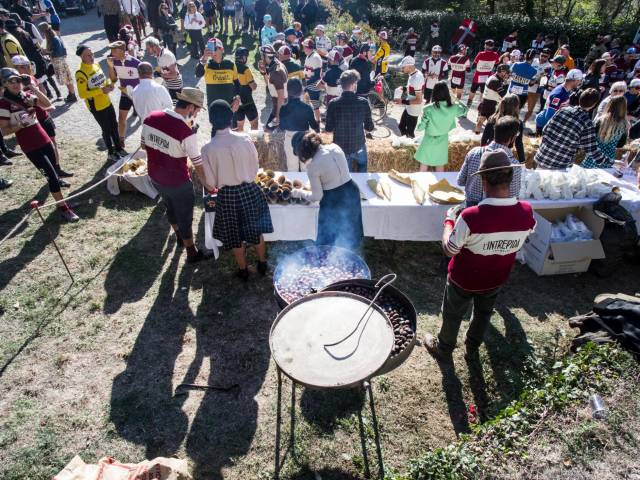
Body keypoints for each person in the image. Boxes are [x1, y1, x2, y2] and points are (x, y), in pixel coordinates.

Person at [423, 150, 534, 362]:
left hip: (463, 279)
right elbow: (527, 235)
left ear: (483, 181)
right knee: (484, 313)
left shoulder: (471, 216)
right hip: (496, 278)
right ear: (510, 178)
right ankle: (472, 347)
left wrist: (448, 221)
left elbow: (450, 249)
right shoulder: (527, 212)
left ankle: (444, 348)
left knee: (453, 314)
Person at [200, 100, 273, 280]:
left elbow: (210, 183)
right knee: (255, 232)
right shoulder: (245, 138)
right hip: (249, 190)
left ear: (211, 121)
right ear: (231, 116)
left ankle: (243, 271)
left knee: (234, 236)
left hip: (227, 195)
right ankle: (262, 264)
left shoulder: (207, 149)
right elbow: (255, 164)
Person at [0, 67, 78, 221]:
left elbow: (48, 104)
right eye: (11, 81)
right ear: (4, 84)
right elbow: (4, 131)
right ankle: (63, 208)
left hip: (44, 138)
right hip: (30, 145)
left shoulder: (26, 95)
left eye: (18, 80)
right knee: (52, 177)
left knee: (55, 170)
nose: (16, 84)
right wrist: (20, 125)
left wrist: (32, 87)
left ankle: (62, 201)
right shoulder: (4, 104)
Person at [142, 87, 207, 264]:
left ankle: (179, 236)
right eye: (198, 110)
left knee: (169, 206)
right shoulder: (185, 132)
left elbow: (142, 146)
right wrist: (208, 185)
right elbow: (198, 163)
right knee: (185, 215)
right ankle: (192, 252)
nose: (197, 114)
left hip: (155, 176)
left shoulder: (150, 117)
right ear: (191, 108)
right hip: (177, 181)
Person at [290, 131, 363, 250]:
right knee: (350, 232)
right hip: (351, 191)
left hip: (333, 200)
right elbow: (331, 173)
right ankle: (350, 255)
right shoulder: (335, 146)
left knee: (328, 239)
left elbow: (317, 196)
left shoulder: (312, 167)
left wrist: (299, 192)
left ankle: (326, 260)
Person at [11, 54, 66, 171]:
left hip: (45, 116)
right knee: (45, 147)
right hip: (35, 120)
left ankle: (58, 169)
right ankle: (53, 172)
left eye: (27, 65)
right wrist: (45, 107)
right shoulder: (16, 86)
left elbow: (42, 92)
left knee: (53, 142)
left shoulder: (31, 78)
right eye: (22, 67)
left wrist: (46, 105)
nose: (27, 68)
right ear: (16, 68)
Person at [535, 88, 608, 169]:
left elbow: (545, 129)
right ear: (594, 105)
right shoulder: (587, 123)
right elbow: (592, 151)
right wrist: (611, 162)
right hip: (560, 165)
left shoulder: (562, 110)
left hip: (542, 157)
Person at [75, 45, 125, 161]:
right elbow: (82, 94)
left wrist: (109, 84)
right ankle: (111, 152)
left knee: (114, 126)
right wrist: (101, 91)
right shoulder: (80, 73)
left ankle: (119, 148)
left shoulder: (96, 64)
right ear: (82, 57)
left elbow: (103, 79)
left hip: (107, 101)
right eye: (88, 55)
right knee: (106, 130)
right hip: (96, 106)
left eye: (92, 54)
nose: (92, 56)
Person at [459, 116, 522, 206]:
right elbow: (513, 196)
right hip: (496, 210)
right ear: (512, 138)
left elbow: (460, 181)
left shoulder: (474, 152)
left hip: (470, 206)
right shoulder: (513, 164)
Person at [325, 69, 374, 173]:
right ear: (353, 85)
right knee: (362, 173)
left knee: (345, 177)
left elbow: (328, 130)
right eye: (356, 83)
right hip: (359, 145)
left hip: (340, 147)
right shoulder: (363, 102)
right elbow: (369, 127)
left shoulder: (333, 103)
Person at [415, 80, 467, 172]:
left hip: (429, 140)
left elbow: (420, 128)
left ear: (434, 93)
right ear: (447, 93)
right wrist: (455, 98)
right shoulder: (454, 108)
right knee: (440, 166)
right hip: (443, 140)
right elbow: (465, 110)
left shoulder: (428, 108)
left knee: (424, 165)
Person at [195, 37, 240, 130]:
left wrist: (237, 98)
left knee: (231, 133)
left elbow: (237, 84)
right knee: (216, 134)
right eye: (210, 49)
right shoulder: (206, 64)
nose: (213, 52)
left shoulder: (230, 64)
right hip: (213, 107)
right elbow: (198, 74)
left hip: (230, 106)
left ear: (222, 49)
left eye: (215, 48)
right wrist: (204, 58)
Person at [106, 41, 141, 147]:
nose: (111, 53)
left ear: (121, 50)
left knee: (145, 118)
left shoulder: (136, 62)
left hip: (138, 95)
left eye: (113, 51)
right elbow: (113, 79)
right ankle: (121, 140)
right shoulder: (114, 62)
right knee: (121, 118)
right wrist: (111, 66)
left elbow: (145, 78)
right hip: (125, 94)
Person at [280, 77, 318, 171]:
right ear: (301, 91)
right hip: (304, 139)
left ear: (287, 91)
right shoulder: (307, 108)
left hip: (290, 138)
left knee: (292, 167)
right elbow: (314, 126)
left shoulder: (283, 108)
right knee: (306, 168)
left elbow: (282, 127)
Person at [582, 95, 629, 169]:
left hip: (593, 157)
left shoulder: (600, 120)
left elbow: (590, 138)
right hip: (608, 160)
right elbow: (620, 145)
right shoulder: (625, 125)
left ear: (610, 105)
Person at [535, 68, 583, 134]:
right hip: (545, 126)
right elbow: (549, 116)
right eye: (580, 80)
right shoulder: (559, 94)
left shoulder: (567, 89)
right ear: (574, 81)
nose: (580, 83)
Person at [481, 93, 525, 163]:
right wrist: (522, 161)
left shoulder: (493, 118)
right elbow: (518, 143)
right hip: (505, 154)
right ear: (517, 107)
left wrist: (482, 153)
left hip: (489, 150)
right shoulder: (518, 123)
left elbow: (484, 138)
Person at [38, 22, 76, 102]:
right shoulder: (54, 37)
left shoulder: (54, 39)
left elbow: (56, 52)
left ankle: (72, 95)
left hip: (58, 61)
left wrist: (47, 52)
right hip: (60, 60)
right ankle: (71, 94)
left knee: (66, 79)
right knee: (67, 79)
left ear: (45, 32)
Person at [258, 44, 287, 129]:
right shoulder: (274, 64)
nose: (260, 57)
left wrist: (277, 116)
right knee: (268, 130)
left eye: (261, 55)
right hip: (278, 106)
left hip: (280, 107)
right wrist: (263, 72)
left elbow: (281, 96)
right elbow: (269, 84)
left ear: (265, 56)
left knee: (268, 131)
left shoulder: (276, 72)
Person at [475, 63, 509, 134]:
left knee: (481, 120)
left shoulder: (493, 77)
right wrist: (507, 84)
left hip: (485, 102)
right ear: (502, 72)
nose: (507, 74)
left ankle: (477, 134)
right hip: (491, 105)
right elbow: (503, 94)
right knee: (492, 125)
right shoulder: (495, 81)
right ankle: (486, 139)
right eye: (506, 72)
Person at [395, 55, 423, 138]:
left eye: (403, 67)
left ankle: (411, 148)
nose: (401, 69)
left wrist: (402, 101)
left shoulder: (417, 78)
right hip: (409, 106)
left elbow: (419, 100)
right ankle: (406, 143)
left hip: (414, 109)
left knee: (410, 133)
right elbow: (411, 89)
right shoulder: (412, 74)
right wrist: (403, 88)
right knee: (401, 127)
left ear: (409, 66)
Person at [467, 39, 500, 107]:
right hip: (487, 78)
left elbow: (473, 66)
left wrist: (468, 69)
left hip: (477, 77)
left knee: (472, 92)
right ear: (493, 46)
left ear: (485, 46)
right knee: (483, 94)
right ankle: (480, 112)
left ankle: (466, 110)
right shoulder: (496, 55)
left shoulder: (481, 54)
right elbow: (497, 66)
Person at [233, 46, 257, 131]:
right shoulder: (245, 69)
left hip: (236, 102)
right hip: (247, 101)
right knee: (254, 124)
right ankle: (254, 143)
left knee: (239, 127)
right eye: (246, 56)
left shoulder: (232, 68)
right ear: (243, 57)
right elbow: (253, 86)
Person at [525, 47, 551, 123]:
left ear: (549, 56)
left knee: (530, 108)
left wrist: (535, 81)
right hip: (525, 85)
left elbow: (544, 81)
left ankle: (523, 123)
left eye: (545, 56)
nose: (543, 57)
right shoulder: (533, 60)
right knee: (519, 104)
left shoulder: (549, 66)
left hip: (536, 89)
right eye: (542, 55)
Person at [302, 38, 322, 123]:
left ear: (307, 47)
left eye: (304, 46)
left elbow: (317, 75)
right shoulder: (308, 55)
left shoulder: (316, 57)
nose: (303, 48)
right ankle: (308, 120)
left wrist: (306, 85)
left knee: (315, 105)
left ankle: (317, 121)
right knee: (306, 103)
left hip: (313, 85)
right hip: (308, 83)